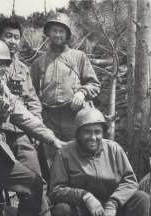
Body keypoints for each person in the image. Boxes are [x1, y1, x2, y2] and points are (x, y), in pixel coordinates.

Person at [49, 107, 150, 216]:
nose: (93, 137)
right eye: (87, 131)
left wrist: (113, 203)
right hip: (83, 215)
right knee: (61, 209)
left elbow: (130, 181)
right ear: (78, 133)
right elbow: (56, 191)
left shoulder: (114, 149)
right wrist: (85, 196)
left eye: (97, 132)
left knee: (141, 198)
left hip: (113, 214)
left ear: (103, 132)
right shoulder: (64, 153)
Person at [0, 38, 64, 216]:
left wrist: (53, 140)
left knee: (33, 183)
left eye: (3, 63)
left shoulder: (3, 91)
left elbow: (26, 118)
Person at [30, 12, 100, 168]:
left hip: (73, 116)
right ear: (48, 33)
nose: (57, 34)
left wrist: (82, 92)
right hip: (49, 118)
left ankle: (79, 192)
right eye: (54, 30)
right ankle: (54, 191)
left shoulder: (79, 57)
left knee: (77, 159)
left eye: (61, 31)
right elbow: (31, 95)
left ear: (67, 34)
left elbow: (94, 84)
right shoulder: (38, 63)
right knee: (52, 162)